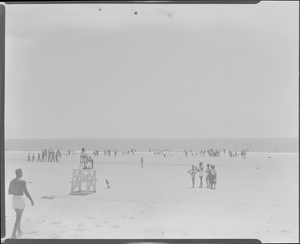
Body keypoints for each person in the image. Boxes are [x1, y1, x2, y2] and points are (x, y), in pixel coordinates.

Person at [8, 169, 34, 238]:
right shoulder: (22, 181)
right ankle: (13, 234)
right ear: (19, 173)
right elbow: (26, 192)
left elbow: (9, 192)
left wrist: (16, 192)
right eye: (22, 172)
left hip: (14, 199)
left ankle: (19, 231)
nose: (22, 173)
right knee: (18, 217)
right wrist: (31, 200)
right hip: (20, 199)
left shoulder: (11, 181)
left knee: (18, 216)